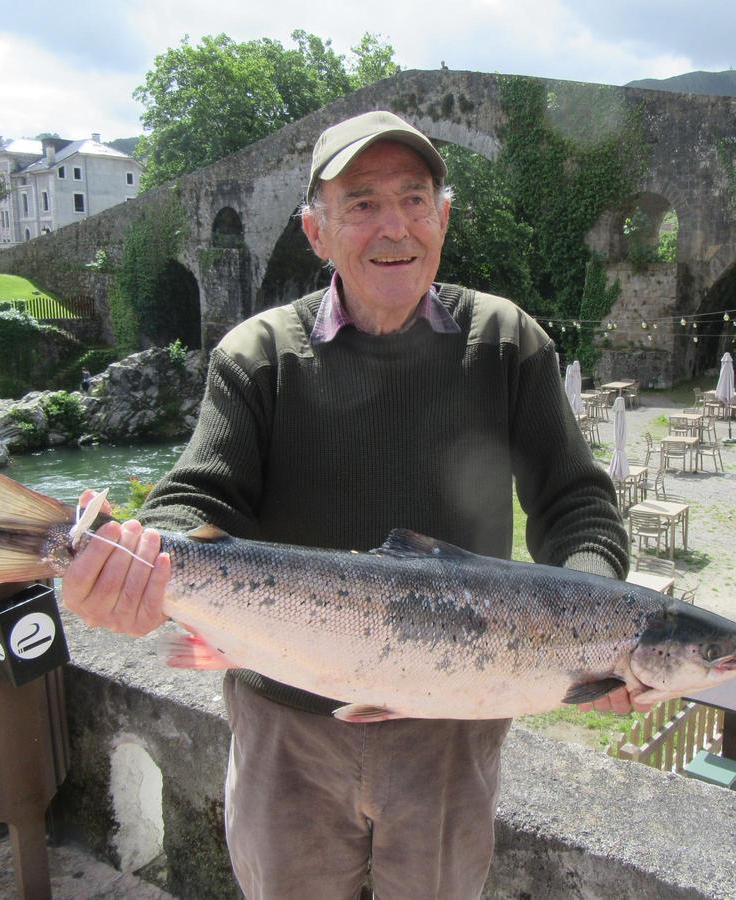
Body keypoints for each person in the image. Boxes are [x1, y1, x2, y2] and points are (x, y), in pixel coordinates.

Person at [62, 110, 639, 899]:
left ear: (444, 216)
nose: (393, 225)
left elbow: (577, 505)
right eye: (361, 203)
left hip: (450, 732)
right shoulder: (258, 355)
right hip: (285, 731)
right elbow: (197, 496)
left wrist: (603, 619)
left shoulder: (508, 341)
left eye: (413, 198)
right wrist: (136, 561)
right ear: (316, 230)